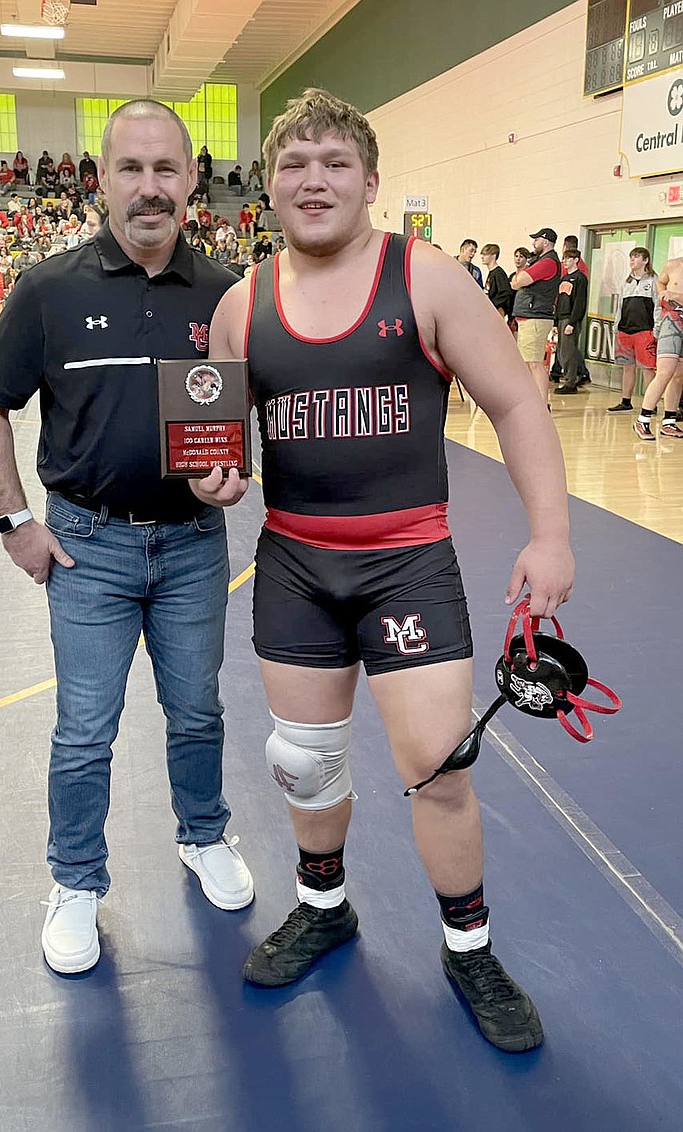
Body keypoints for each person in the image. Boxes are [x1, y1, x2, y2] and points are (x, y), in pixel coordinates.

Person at [197, 88, 573, 1053]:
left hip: (408, 567)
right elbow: (221, 443)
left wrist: (551, 536)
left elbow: (519, 408)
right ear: (268, 186)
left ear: (369, 180)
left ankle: (468, 946)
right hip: (295, 565)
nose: (312, 179)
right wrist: (215, 478)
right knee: (305, 762)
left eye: (334, 163)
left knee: (438, 769)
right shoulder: (243, 303)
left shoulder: (429, 278)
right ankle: (326, 910)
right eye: (294, 164)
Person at [0, 99, 254, 977]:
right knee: (85, 729)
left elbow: (248, 411)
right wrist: (17, 523)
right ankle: (77, 881)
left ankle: (203, 835)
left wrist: (237, 474)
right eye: (132, 168)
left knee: (197, 709)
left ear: (193, 178)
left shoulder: (227, 292)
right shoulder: (50, 289)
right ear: (101, 178)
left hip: (195, 544)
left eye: (167, 169)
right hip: (88, 547)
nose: (150, 187)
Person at [633, 255, 683, 439]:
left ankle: (669, 421)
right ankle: (643, 419)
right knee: (665, 372)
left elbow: (673, 293)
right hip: (672, 321)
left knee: (678, 376)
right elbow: (661, 282)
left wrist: (675, 295)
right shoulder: (673, 264)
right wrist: (663, 292)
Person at [511, 227, 561, 401]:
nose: (533, 243)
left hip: (536, 317)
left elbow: (519, 281)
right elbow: (515, 280)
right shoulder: (540, 261)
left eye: (536, 240)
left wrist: (520, 279)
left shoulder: (547, 263)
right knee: (529, 362)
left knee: (534, 363)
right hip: (530, 317)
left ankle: (541, 403)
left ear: (545, 242)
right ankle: (535, 400)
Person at [608, 248, 660, 413]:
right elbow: (620, 306)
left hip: (645, 331)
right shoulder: (627, 281)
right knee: (627, 367)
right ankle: (626, 401)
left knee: (647, 368)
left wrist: (657, 328)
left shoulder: (653, 280)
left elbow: (658, 306)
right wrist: (616, 326)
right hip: (625, 331)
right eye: (631, 256)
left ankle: (650, 404)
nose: (632, 260)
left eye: (636, 257)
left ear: (645, 260)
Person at [552, 249, 589, 394]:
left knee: (569, 351)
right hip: (561, 317)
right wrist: (555, 323)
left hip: (570, 318)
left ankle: (571, 381)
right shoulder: (564, 279)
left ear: (576, 260)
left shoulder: (580, 278)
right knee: (561, 351)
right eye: (564, 259)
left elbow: (580, 303)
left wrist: (572, 322)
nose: (565, 262)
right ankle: (567, 377)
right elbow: (559, 301)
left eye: (568, 258)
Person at [480, 243, 512, 317]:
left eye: (485, 255)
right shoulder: (492, 273)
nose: (482, 257)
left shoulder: (498, 273)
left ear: (494, 256)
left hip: (497, 311)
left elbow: (506, 292)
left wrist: (493, 304)